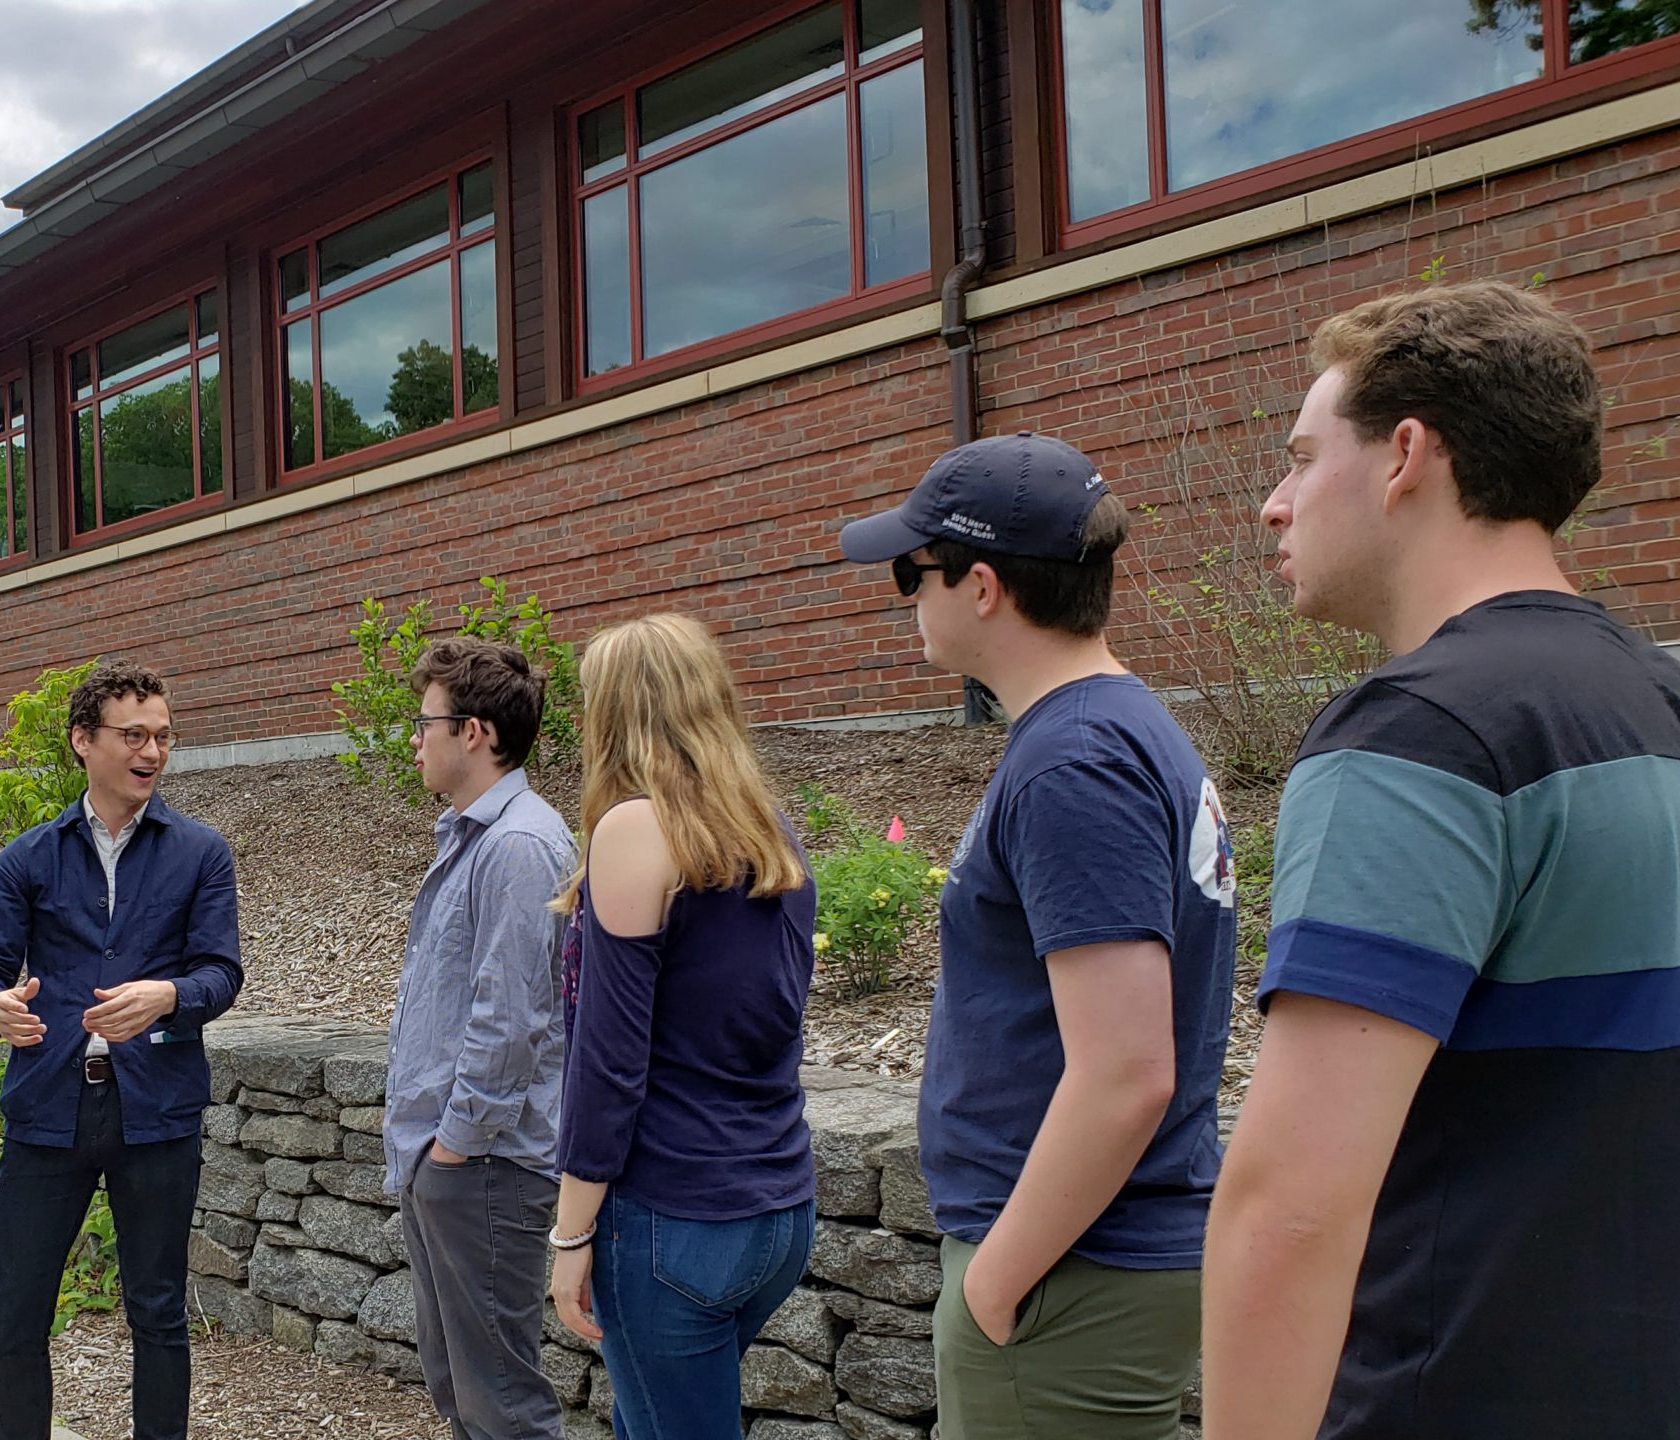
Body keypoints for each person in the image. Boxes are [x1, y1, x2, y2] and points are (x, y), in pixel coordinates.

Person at [1202, 282, 1680, 1440]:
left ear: (1405, 458)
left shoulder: (1417, 732)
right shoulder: (1678, 712)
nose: (1275, 507)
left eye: (1300, 457)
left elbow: (1290, 1210)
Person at [837, 432, 1238, 1438]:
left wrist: (997, 1279)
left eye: (908, 571)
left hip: (1069, 1272)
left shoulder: (1075, 764)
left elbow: (1126, 1071)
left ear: (981, 587)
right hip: (1088, 1261)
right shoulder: (1118, 731)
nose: (903, 599)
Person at [544, 613, 818, 1440]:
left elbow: (609, 1059)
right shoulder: (767, 828)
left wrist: (570, 1231)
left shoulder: (635, 829)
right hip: (776, 1207)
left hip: (672, 1219)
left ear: (617, 712)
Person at [0, 658, 242, 1440]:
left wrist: (171, 996)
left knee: (157, 1312)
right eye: (134, 735)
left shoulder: (201, 853)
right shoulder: (28, 856)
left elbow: (222, 972)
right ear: (84, 740)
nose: (152, 751)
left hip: (158, 1113)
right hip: (48, 1110)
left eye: (164, 736)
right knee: (16, 1315)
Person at [384, 637, 577, 1440]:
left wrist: (456, 1146)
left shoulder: (519, 846)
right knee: (461, 1393)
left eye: (425, 722)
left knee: (502, 1404)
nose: (414, 738)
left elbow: (513, 1018)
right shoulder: (471, 835)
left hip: (486, 1168)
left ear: (476, 733)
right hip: (452, 1163)